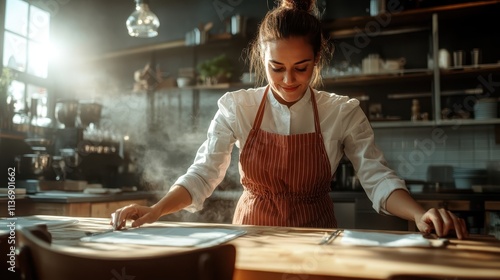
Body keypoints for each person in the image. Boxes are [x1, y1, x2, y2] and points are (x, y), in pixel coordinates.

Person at [112, 0, 468, 239]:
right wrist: (157, 210)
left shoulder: (341, 112)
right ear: (260, 59)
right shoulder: (238, 107)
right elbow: (204, 173)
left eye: (302, 68)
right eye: (276, 68)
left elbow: (376, 178)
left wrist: (419, 215)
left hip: (315, 238)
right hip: (251, 236)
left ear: (318, 61)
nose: (287, 80)